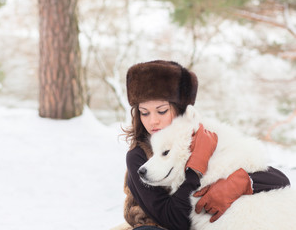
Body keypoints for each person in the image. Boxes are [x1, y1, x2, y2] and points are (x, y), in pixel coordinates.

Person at [123, 60, 290, 230]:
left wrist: (240, 182)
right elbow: (175, 220)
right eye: (144, 113)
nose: (153, 121)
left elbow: (280, 179)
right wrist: (195, 168)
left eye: (162, 111)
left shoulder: (202, 137)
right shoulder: (138, 156)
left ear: (180, 109)